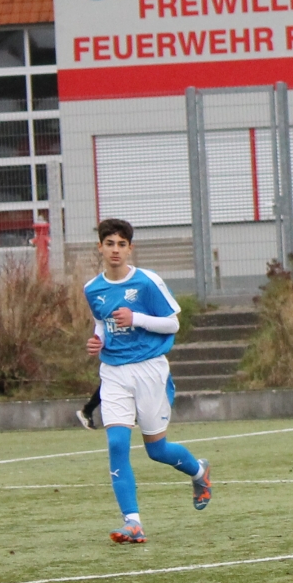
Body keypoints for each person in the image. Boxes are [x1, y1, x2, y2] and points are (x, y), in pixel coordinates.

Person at [83, 218, 212, 542]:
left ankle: (199, 471)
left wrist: (136, 318)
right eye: (109, 244)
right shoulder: (92, 289)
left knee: (157, 450)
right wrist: (98, 340)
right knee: (117, 444)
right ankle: (133, 522)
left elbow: (172, 324)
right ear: (100, 247)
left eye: (121, 244)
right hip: (113, 372)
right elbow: (102, 323)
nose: (115, 250)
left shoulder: (147, 281)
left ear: (130, 248)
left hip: (150, 370)